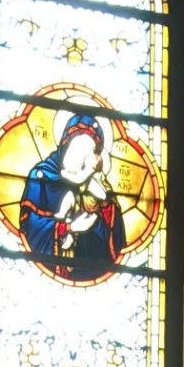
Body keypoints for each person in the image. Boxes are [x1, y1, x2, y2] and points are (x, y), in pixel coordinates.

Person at [18, 114, 126, 282]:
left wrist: (103, 211)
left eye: (89, 152)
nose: (83, 156)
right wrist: (68, 228)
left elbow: (113, 236)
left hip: (90, 272)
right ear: (65, 144)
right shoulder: (41, 176)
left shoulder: (95, 182)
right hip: (42, 278)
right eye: (80, 148)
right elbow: (31, 226)